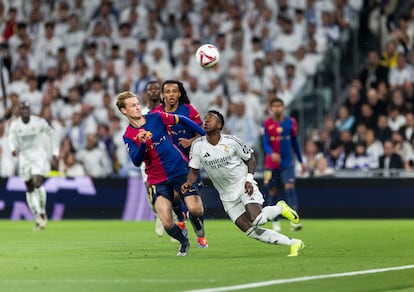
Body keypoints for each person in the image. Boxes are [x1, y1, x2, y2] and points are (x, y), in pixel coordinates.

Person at [182, 110, 305, 257]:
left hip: (243, 185)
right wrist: (188, 183)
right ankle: (294, 243)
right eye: (205, 119)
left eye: (210, 119)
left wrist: (249, 180)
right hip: (226, 196)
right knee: (250, 231)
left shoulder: (231, 141)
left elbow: (250, 158)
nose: (206, 121)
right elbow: (194, 171)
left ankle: (280, 207)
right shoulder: (198, 146)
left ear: (219, 124)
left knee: (258, 219)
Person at [116, 91, 206, 256]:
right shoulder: (129, 136)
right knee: (166, 221)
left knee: (196, 209)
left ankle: (196, 223)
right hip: (157, 179)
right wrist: (142, 144)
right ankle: (184, 242)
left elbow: (183, 120)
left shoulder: (156, 117)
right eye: (133, 106)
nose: (137, 108)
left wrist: (204, 136)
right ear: (124, 111)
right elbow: (136, 162)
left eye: (137, 104)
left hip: (179, 170)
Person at [153, 80, 208, 248]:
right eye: (167, 91)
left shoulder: (189, 111)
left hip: (187, 165)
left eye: (174, 91)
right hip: (166, 166)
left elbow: (203, 134)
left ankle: (199, 231)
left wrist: (191, 140)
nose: (170, 94)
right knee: (175, 196)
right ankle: (181, 221)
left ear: (179, 94)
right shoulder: (156, 113)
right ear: (162, 95)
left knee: (196, 209)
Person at [7, 101, 59, 231]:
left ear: (30, 110)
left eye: (27, 109)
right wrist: (12, 148)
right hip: (24, 159)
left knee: (37, 183)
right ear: (19, 111)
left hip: (38, 157)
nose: (25, 111)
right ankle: (38, 217)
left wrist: (55, 152)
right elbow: (10, 138)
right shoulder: (15, 125)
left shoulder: (39, 122)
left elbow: (52, 134)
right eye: (22, 109)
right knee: (29, 188)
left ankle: (42, 211)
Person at [262, 97, 305, 232]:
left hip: (287, 163)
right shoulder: (266, 123)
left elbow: (295, 142)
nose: (277, 108)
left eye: (279, 106)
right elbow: (265, 143)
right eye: (274, 106)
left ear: (283, 107)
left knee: (290, 188)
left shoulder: (291, 122)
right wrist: (271, 153)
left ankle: (294, 221)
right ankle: (275, 222)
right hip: (270, 165)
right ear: (271, 108)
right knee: (272, 192)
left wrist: (301, 161)